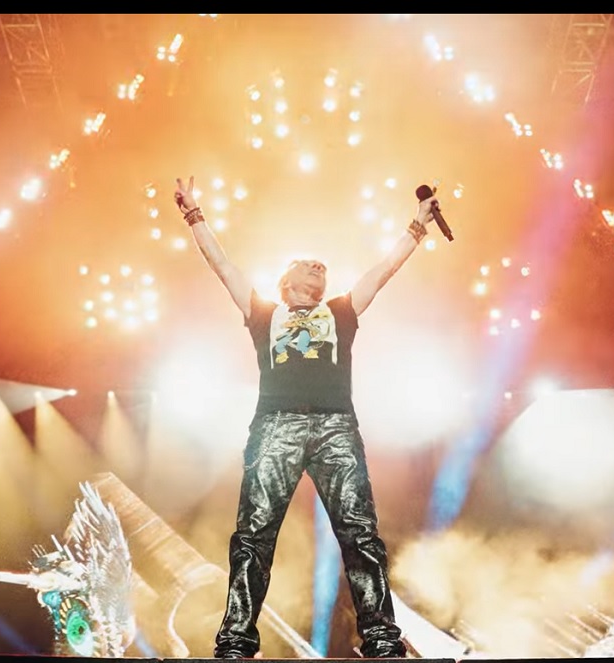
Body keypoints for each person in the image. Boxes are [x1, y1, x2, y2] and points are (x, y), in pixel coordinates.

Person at [173, 175, 441, 658]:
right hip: (275, 424)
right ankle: (235, 641)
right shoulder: (262, 312)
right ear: (287, 282)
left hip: (336, 425)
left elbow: (383, 270)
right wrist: (194, 214)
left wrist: (416, 226)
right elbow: (222, 265)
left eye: (322, 266)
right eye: (307, 263)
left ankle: (381, 637)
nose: (319, 266)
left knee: (360, 532)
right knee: (254, 536)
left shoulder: (341, 311)